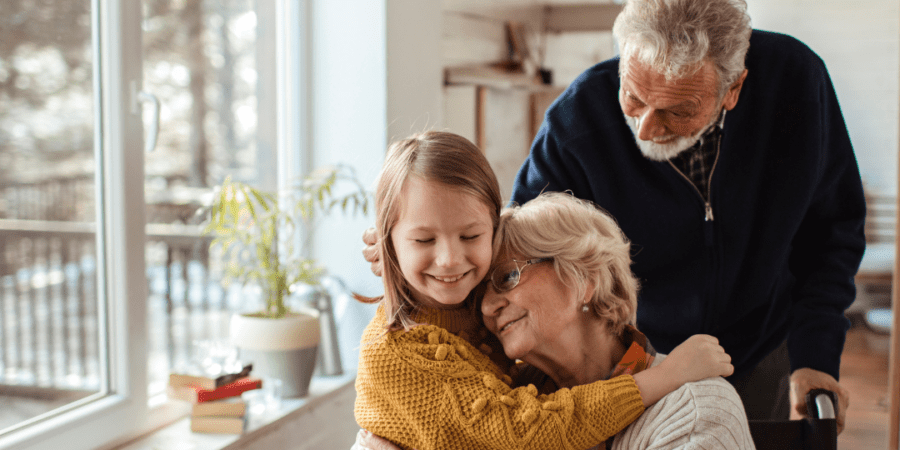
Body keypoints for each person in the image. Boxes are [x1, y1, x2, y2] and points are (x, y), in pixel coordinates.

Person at [507, 0, 865, 430]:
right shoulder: (577, 119)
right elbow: (523, 253)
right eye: (633, 97)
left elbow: (831, 234)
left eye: (678, 111)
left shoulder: (797, 82)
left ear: (733, 89)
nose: (646, 130)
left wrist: (816, 355)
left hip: (761, 340)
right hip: (637, 354)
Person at [353, 131, 734, 449]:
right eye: (423, 239)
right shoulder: (515, 384)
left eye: (504, 278)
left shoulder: (691, 410)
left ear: (583, 278)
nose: (483, 305)